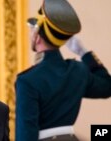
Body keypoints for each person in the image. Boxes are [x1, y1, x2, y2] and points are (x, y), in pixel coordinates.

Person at [15, 0, 111, 141]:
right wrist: (84, 53)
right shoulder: (77, 71)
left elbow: (26, 135)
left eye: (31, 28)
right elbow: (107, 86)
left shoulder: (28, 80)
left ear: (37, 35)